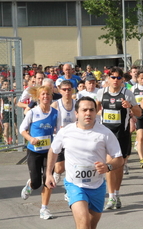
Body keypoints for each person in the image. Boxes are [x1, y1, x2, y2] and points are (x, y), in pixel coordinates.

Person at [45, 97, 124, 229]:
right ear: (77, 113)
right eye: (84, 110)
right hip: (75, 185)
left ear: (96, 112)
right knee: (84, 223)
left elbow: (119, 159)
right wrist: (48, 173)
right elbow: (53, 151)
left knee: (91, 226)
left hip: (97, 186)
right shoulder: (66, 132)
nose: (88, 113)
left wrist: (108, 166)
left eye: (91, 110)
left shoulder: (105, 133)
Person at [96, 67, 141, 210]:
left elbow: (139, 113)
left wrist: (130, 107)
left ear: (122, 80)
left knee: (119, 166)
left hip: (122, 134)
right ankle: (111, 197)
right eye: (113, 77)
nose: (115, 80)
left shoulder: (127, 94)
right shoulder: (101, 93)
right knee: (110, 164)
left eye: (118, 78)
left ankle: (117, 193)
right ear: (108, 78)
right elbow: (94, 109)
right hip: (107, 134)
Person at [19, 85, 58, 220]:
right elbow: (22, 129)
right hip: (34, 151)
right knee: (36, 183)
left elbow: (58, 131)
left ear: (51, 96)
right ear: (38, 97)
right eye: (43, 95)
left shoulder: (55, 113)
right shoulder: (33, 112)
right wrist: (30, 138)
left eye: (48, 94)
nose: (45, 97)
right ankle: (30, 185)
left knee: (48, 180)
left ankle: (44, 209)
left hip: (49, 152)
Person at [50, 80, 77, 193]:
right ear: (60, 90)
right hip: (60, 139)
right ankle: (56, 175)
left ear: (72, 90)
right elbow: (49, 121)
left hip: (74, 139)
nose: (67, 92)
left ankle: (68, 190)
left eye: (69, 89)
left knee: (72, 166)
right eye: (64, 89)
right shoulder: (56, 104)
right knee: (60, 168)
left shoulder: (77, 104)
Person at [130, 70, 143, 168]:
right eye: (141, 78)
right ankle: (142, 159)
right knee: (141, 137)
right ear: (137, 78)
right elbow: (131, 102)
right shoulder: (133, 88)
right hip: (139, 114)